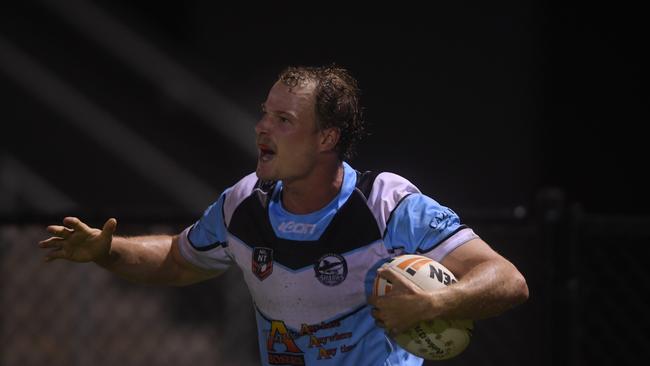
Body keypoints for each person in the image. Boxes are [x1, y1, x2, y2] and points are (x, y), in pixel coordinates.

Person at [39, 65, 529, 365]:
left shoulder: (385, 204)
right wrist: (108, 251)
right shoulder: (243, 204)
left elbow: (506, 279)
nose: (261, 129)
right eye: (264, 114)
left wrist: (438, 305)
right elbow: (175, 258)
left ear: (327, 138)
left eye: (283, 120)